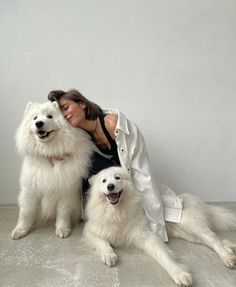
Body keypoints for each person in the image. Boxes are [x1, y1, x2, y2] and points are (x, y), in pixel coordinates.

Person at [48, 89, 182, 242]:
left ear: (82, 104)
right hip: (105, 189)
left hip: (124, 180)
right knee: (73, 160)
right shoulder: (79, 135)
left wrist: (157, 230)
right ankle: (82, 214)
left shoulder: (115, 125)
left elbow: (143, 175)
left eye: (66, 108)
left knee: (164, 208)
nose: (64, 115)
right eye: (61, 113)